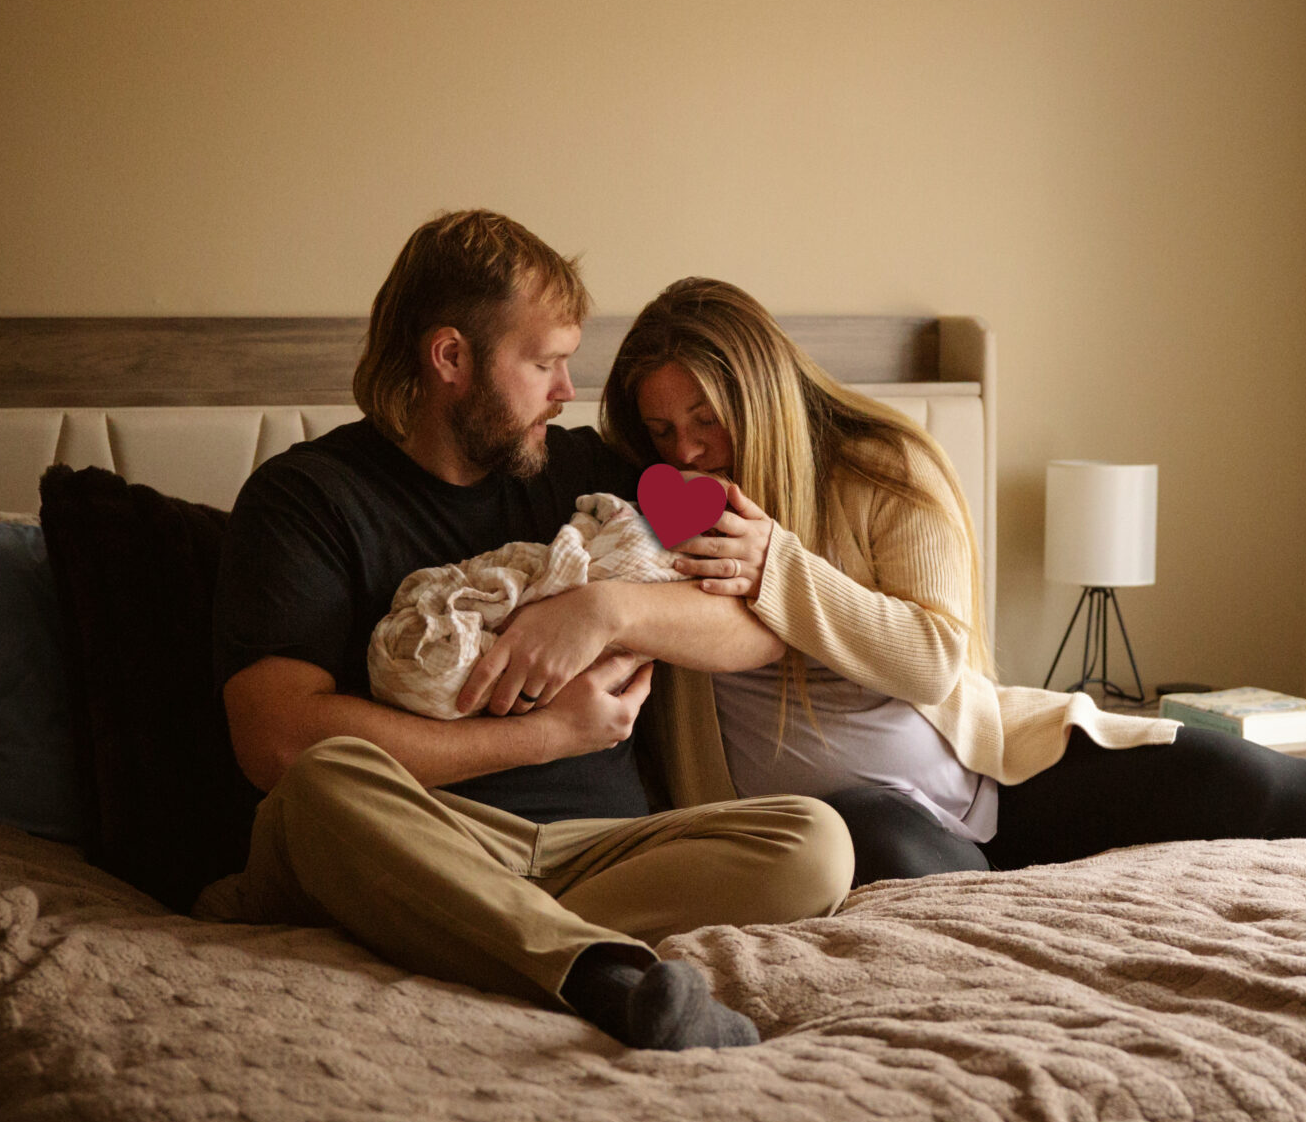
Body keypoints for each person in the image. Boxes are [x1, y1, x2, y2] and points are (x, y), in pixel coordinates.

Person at [199, 213, 852, 1052]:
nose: (566, 390)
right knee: (319, 789)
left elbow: (756, 624)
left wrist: (607, 610)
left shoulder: (586, 474)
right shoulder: (307, 500)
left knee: (815, 843)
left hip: (601, 856)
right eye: (543, 362)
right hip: (418, 831)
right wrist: (547, 736)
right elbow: (277, 740)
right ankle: (602, 977)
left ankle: (455, 930)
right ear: (451, 359)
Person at [594, 277, 1306, 886]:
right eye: (662, 428)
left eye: (705, 419)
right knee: (916, 871)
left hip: (996, 769)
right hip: (838, 818)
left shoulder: (884, 468)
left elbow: (940, 661)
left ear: (761, 394)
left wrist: (784, 570)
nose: (687, 449)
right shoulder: (652, 510)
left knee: (1241, 781)